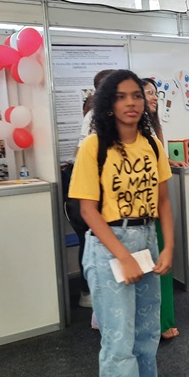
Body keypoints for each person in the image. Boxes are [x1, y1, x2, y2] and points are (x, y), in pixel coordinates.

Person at [68, 69, 182, 377]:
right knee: (118, 339)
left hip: (146, 238)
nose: (131, 103)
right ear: (108, 104)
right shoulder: (94, 146)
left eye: (136, 95)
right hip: (109, 246)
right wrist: (123, 257)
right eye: (121, 97)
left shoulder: (151, 145)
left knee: (146, 332)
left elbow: (162, 201)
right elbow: (88, 210)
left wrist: (169, 247)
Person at [69, 69, 116, 310]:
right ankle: (89, 292)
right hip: (94, 194)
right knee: (91, 241)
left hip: (105, 193)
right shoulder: (94, 117)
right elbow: (81, 155)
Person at [142, 77, 184, 340]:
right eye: (147, 93)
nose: (154, 97)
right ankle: (157, 324)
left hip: (153, 210)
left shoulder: (151, 128)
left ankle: (162, 322)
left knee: (159, 266)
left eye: (155, 93)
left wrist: (170, 162)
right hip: (134, 215)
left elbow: (158, 159)